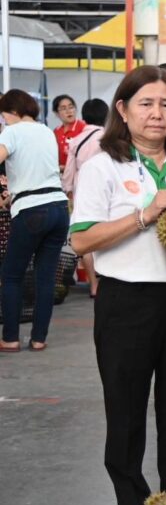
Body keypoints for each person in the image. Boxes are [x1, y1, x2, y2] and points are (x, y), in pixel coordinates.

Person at [68, 66, 166, 505]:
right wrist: (146, 214)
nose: (157, 113)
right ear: (123, 110)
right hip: (126, 303)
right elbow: (84, 240)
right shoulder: (102, 166)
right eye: (146, 103)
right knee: (125, 412)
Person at [0, 90, 71, 353]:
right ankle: (39, 338)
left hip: (31, 211)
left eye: (4, 114)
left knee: (11, 275)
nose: (4, 119)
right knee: (45, 278)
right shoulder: (46, 132)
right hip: (58, 207)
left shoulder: (12, 131)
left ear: (14, 111)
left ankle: (10, 338)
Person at [62, 97, 109, 297]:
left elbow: (68, 176)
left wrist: (70, 194)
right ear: (106, 116)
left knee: (87, 238)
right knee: (110, 235)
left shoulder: (76, 141)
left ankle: (93, 285)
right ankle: (110, 280)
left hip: (84, 193)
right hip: (109, 192)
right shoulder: (111, 138)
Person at [52, 94, 87, 170]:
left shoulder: (84, 128)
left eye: (71, 107)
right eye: (63, 108)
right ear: (56, 113)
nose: (68, 111)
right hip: (61, 176)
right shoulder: (56, 131)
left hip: (79, 174)